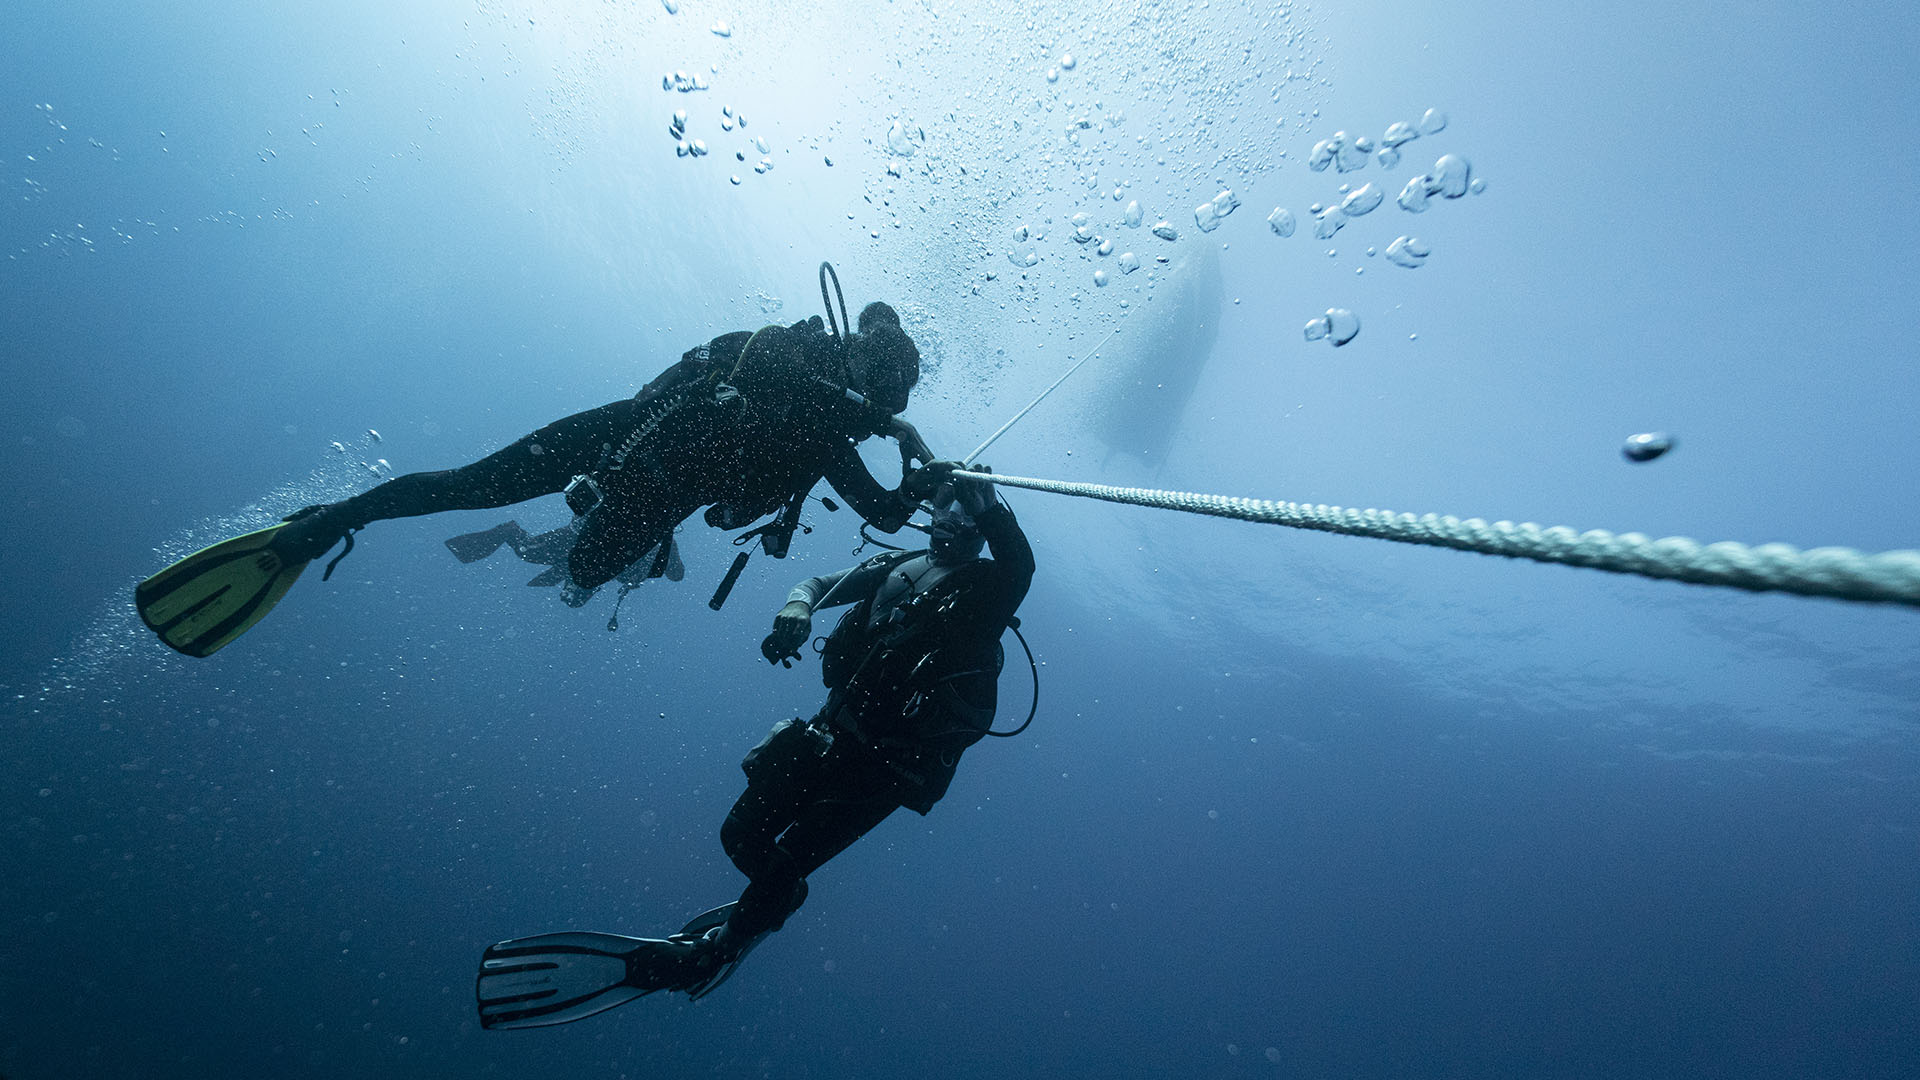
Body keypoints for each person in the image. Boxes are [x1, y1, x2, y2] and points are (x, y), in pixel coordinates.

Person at [473, 466, 1035, 1027]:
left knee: (786, 860)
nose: (956, 516)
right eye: (948, 503)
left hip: (886, 768)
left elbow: (1021, 566)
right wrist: (797, 608)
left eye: (970, 510)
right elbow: (815, 585)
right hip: (828, 731)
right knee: (739, 836)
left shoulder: (988, 589)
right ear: (932, 509)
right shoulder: (897, 564)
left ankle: (715, 953)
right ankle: (778, 897)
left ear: (984, 523)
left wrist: (991, 506)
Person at [135, 296, 934, 657]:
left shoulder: (799, 380)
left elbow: (878, 510)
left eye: (890, 396)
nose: (880, 403)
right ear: (870, 371)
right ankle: (327, 521)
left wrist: (906, 455)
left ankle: (349, 519)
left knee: (571, 563)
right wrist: (916, 458)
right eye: (886, 389)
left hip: (627, 462)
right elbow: (890, 515)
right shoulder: (807, 387)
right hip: (623, 450)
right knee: (473, 486)